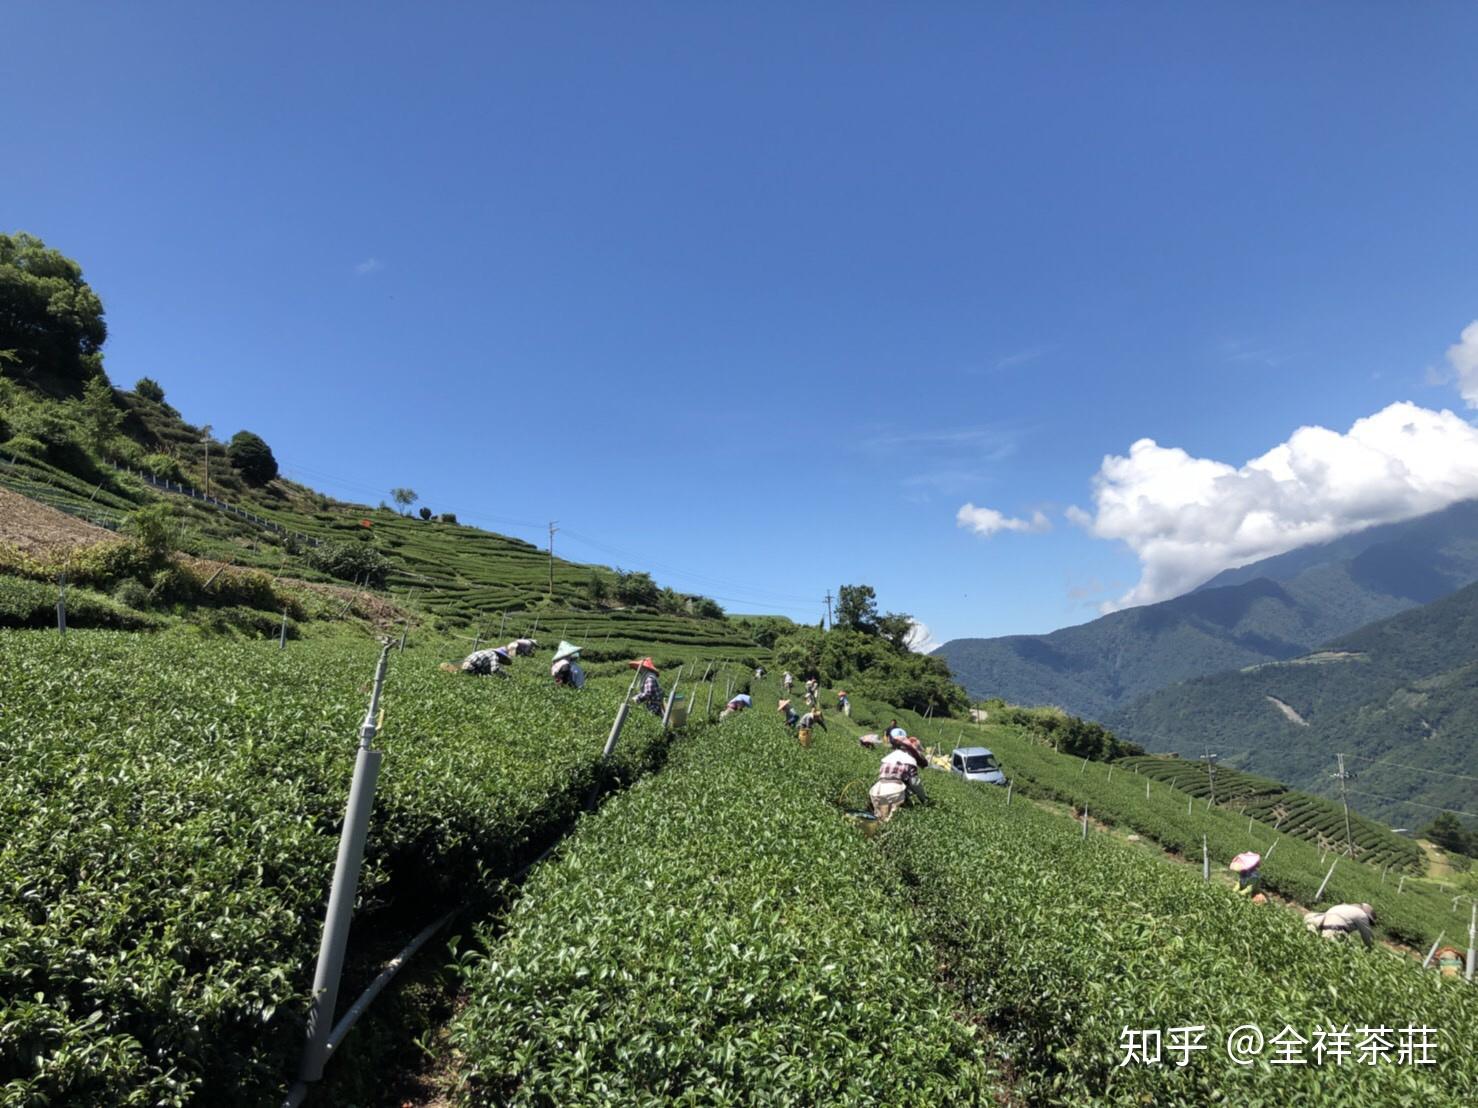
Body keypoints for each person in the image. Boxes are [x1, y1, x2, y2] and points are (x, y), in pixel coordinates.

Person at [878, 735, 929, 806]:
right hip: (894, 793)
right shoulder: (910, 761)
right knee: (910, 804)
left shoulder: (890, 757)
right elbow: (915, 783)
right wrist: (924, 799)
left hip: (879, 791)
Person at [1303, 903, 1376, 949]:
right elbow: (1366, 935)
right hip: (1334, 927)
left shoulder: (1345, 907)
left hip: (1319, 923)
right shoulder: (1362, 915)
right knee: (1331, 950)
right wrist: (1370, 948)